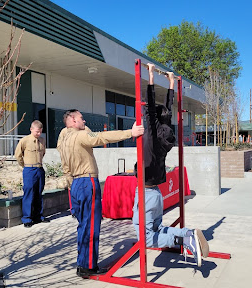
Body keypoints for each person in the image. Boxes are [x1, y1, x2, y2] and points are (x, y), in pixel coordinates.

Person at [132, 63, 209, 267]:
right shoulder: (167, 133)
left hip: (147, 194)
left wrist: (149, 74)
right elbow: (167, 108)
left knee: (146, 238)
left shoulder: (153, 133)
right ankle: (188, 233)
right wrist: (172, 83)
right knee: (156, 229)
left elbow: (150, 104)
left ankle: (185, 239)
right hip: (156, 192)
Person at [57, 109, 144, 278]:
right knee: (91, 226)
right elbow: (102, 137)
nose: (85, 122)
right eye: (81, 119)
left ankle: (82, 263)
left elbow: (65, 165)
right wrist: (130, 133)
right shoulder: (80, 136)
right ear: (73, 121)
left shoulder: (64, 138)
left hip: (75, 183)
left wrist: (70, 186)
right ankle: (88, 266)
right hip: (86, 182)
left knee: (83, 226)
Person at [15, 120, 49, 228]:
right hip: (29, 169)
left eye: (40, 132)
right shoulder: (24, 140)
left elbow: (43, 153)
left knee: (39, 192)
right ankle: (27, 218)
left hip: (39, 168)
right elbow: (18, 155)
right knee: (29, 192)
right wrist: (25, 165)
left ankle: (38, 216)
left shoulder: (42, 140)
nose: (38, 134)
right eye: (36, 132)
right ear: (31, 129)